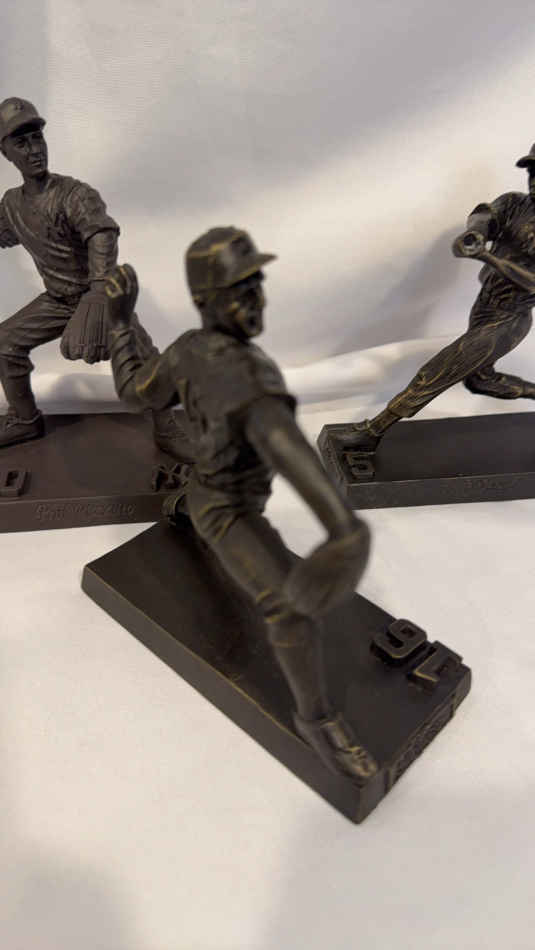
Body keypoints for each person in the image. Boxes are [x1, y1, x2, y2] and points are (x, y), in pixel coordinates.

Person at [104, 226, 378, 785]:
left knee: (201, 500)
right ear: (205, 300)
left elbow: (136, 391)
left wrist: (122, 324)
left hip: (205, 485)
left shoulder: (188, 348)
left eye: (257, 286)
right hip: (228, 509)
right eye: (239, 291)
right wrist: (343, 527)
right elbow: (286, 449)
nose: (257, 302)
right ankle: (317, 721)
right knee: (289, 610)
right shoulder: (250, 384)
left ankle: (183, 509)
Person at [0, 97, 190, 456]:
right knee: (4, 343)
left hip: (99, 294)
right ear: (6, 153)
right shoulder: (11, 205)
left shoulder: (74, 194)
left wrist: (100, 292)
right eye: (21, 143)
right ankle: (25, 420)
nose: (34, 149)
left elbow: (102, 234)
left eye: (37, 138)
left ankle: (167, 429)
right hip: (57, 300)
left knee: (143, 356)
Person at [336, 145, 535, 453]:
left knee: (440, 370)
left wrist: (487, 258)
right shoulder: (515, 203)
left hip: (509, 320)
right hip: (485, 306)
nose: (534, 180)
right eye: (533, 171)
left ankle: (372, 431)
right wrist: (476, 234)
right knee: (480, 380)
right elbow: (485, 214)